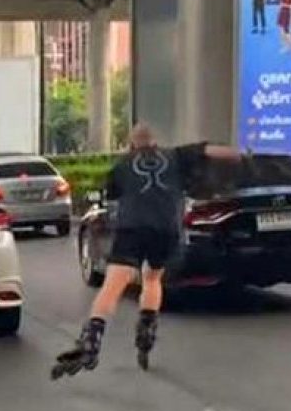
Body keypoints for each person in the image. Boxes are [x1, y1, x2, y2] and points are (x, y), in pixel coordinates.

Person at [51, 124, 241, 380]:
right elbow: (211, 150)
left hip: (133, 229)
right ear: (155, 142)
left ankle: (91, 340)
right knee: (152, 277)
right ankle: (147, 329)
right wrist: (241, 154)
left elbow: (111, 194)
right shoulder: (176, 155)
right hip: (166, 230)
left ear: (131, 144)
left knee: (113, 285)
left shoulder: (122, 165)